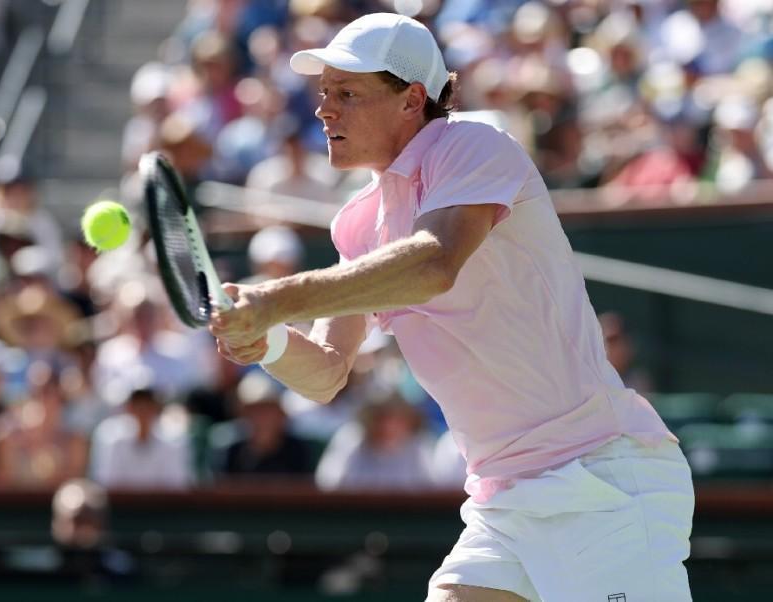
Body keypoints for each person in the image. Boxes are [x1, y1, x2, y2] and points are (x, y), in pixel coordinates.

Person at [209, 13, 693, 602]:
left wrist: (276, 299)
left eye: (347, 93)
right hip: (504, 497)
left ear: (412, 99)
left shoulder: (473, 145)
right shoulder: (357, 222)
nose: (324, 110)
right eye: (325, 92)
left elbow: (434, 265)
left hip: (602, 477)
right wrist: (269, 339)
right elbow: (328, 372)